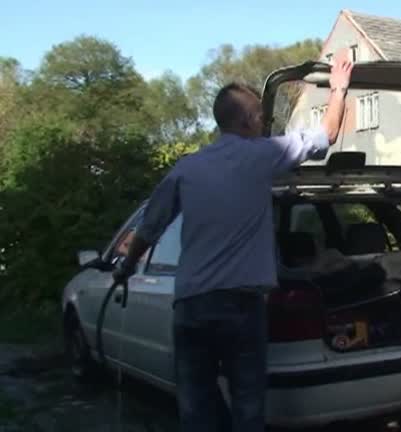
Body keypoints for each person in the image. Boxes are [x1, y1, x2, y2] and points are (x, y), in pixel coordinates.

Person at [112, 54, 354, 431]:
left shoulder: (187, 168)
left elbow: (149, 227)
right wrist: (338, 89)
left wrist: (126, 267)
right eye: (260, 116)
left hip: (191, 306)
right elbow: (327, 134)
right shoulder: (261, 155)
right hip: (242, 307)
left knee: (196, 408)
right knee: (247, 408)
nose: (263, 122)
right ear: (245, 121)